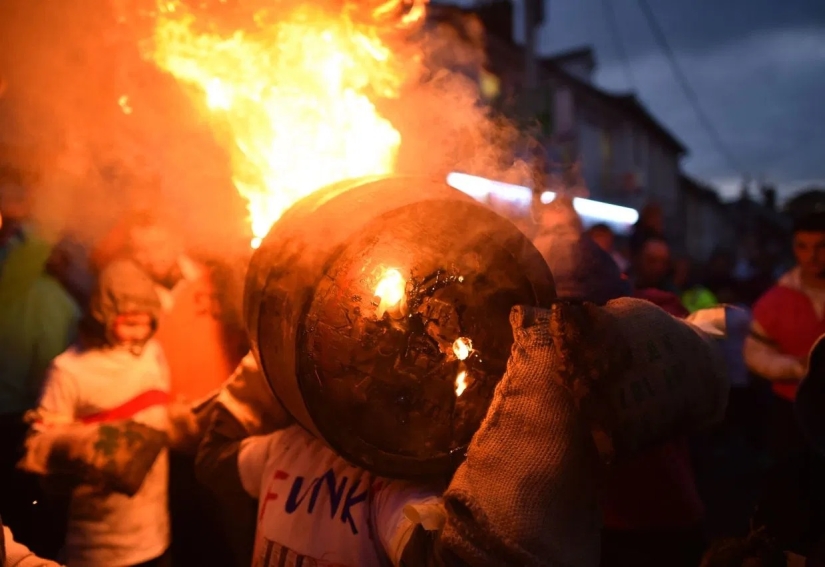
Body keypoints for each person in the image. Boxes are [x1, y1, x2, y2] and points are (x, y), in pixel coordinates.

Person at [21, 260, 172, 567]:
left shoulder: (153, 353)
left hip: (155, 535)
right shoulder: (69, 370)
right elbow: (37, 445)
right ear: (104, 317)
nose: (138, 333)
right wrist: (88, 446)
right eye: (128, 323)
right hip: (98, 548)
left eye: (145, 323)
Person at [0, 165, 80, 557]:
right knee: (25, 518)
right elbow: (41, 233)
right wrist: (69, 165)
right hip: (12, 419)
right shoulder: (12, 278)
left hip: (36, 413)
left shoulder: (52, 294)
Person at [744, 212, 825, 461]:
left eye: (821, 247)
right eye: (803, 247)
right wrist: (795, 368)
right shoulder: (776, 300)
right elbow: (755, 352)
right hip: (790, 411)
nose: (811, 256)